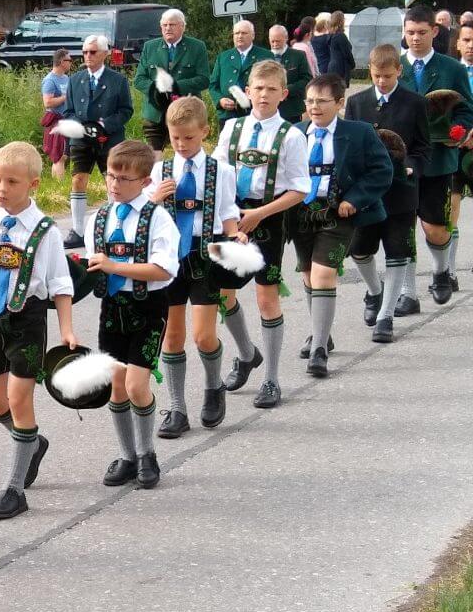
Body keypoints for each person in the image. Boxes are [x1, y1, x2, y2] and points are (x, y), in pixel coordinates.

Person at [0, 142, 75, 518]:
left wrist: (66, 330)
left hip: (27, 321)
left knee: (19, 399)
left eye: (12, 181)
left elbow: (60, 284)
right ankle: (32, 443)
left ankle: (14, 489)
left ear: (33, 184)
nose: (2, 188)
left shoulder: (45, 231)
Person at [212, 60, 311, 409]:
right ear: (247, 91)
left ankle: (271, 378)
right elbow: (217, 172)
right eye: (258, 88)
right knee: (221, 294)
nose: (264, 95)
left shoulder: (292, 135)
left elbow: (300, 189)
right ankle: (246, 354)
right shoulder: (232, 128)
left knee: (266, 297)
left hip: (269, 218)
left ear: (283, 94)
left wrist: (260, 214)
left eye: (271, 89)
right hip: (232, 216)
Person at [143, 97, 243, 438]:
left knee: (203, 335)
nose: (182, 144)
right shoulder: (159, 171)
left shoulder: (221, 170)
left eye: (189, 137)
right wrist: (155, 199)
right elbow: (145, 216)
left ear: (204, 132)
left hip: (204, 255)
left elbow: (227, 212)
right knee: (172, 336)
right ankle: (177, 408)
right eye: (175, 138)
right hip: (170, 259)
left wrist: (236, 234)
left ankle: (213, 386)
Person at [84, 141, 179, 490]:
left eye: (124, 179)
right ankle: (127, 456)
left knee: (137, 385)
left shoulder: (158, 218)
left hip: (148, 308)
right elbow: (94, 265)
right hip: (112, 309)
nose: (114, 184)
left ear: (145, 181)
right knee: (116, 385)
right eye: (110, 175)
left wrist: (115, 266)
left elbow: (163, 270)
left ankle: (146, 453)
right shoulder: (99, 218)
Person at [289, 75, 392, 377]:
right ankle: (321, 332)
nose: (315, 107)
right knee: (309, 275)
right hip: (301, 215)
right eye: (310, 101)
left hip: (338, 214)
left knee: (323, 274)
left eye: (322, 101)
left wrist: (355, 199)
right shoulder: (294, 133)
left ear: (339, 103)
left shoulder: (359, 133)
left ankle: (319, 350)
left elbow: (382, 170)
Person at [345, 44, 430, 343]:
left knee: (397, 251)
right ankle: (374, 291)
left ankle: (386, 317)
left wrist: (411, 166)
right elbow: (349, 144)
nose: (381, 81)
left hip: (401, 191)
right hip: (367, 192)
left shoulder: (415, 103)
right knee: (359, 248)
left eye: (387, 76)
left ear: (399, 71)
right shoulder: (356, 102)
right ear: (369, 71)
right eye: (376, 75)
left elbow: (424, 147)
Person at [399, 4, 473, 306]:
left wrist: (460, 130)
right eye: (410, 33)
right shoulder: (395, 67)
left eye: (421, 32)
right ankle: (407, 293)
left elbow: (466, 109)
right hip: (401, 162)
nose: (415, 38)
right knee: (402, 228)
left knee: (436, 228)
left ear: (434, 31)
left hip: (439, 159)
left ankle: (441, 272)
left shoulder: (451, 69)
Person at [61, 34, 134, 249]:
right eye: (84, 52)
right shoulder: (75, 79)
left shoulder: (117, 80)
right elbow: (68, 111)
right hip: (81, 138)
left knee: (112, 181)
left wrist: (104, 125)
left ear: (104, 54)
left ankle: (113, 227)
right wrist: (81, 127)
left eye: (92, 52)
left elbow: (126, 110)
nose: (88, 56)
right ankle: (78, 230)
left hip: (108, 138)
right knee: (78, 179)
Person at [133, 8, 211, 153]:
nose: (168, 28)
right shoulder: (150, 47)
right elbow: (139, 80)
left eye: (172, 25)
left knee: (185, 152)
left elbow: (204, 79)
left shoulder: (196, 47)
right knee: (154, 156)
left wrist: (175, 87)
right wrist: (157, 89)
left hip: (187, 111)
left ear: (182, 26)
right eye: (164, 25)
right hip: (156, 112)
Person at [209, 19, 275, 125]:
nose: (240, 36)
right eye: (237, 33)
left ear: (253, 36)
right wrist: (220, 100)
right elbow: (213, 85)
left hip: (256, 113)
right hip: (228, 115)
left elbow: (272, 83)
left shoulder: (265, 56)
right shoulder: (223, 57)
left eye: (244, 33)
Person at [447, 22, 473, 278]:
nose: (470, 45)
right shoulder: (451, 73)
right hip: (454, 149)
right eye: (466, 40)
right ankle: (449, 270)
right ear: (457, 43)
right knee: (450, 208)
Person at [269, 24, 313, 122]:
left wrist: (287, 90)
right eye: (272, 41)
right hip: (269, 110)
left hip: (291, 110)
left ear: (286, 38)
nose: (275, 44)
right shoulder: (264, 57)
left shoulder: (298, 56)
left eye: (278, 41)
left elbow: (307, 79)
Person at [41, 48, 73, 179]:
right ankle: (60, 186)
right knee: (59, 156)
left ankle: (56, 184)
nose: (71, 62)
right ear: (61, 61)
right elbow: (47, 102)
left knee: (63, 156)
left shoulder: (66, 78)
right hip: (56, 121)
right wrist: (66, 97)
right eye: (69, 60)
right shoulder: (50, 80)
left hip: (67, 120)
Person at [325, 11, 356, 83]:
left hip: (332, 66)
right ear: (341, 21)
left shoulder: (331, 35)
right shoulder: (340, 36)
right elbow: (347, 53)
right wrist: (353, 65)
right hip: (340, 67)